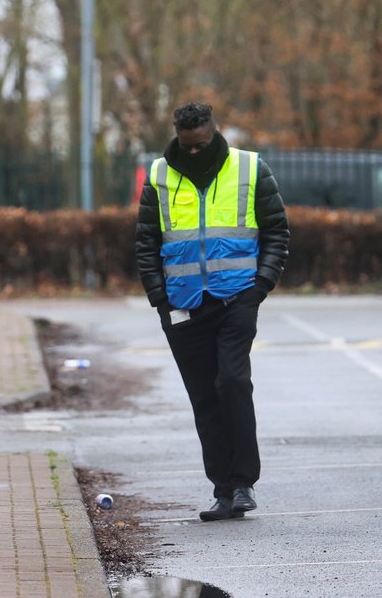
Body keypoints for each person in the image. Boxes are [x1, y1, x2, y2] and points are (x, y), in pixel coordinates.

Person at [135, 103, 290, 521]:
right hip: (183, 306)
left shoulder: (250, 168)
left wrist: (261, 286)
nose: (195, 153)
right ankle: (222, 491)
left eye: (202, 145)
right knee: (204, 398)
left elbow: (276, 230)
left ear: (215, 135)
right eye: (188, 147)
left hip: (237, 299)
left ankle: (244, 483)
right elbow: (146, 242)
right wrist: (160, 299)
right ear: (177, 138)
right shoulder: (160, 175)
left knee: (233, 382)